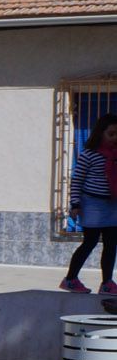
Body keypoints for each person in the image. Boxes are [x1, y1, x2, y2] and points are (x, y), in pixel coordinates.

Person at [64, 116, 117, 294]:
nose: (114, 137)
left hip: (111, 205)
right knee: (90, 242)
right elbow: (77, 180)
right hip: (92, 204)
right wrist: (75, 204)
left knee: (111, 243)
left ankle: (107, 283)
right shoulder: (89, 154)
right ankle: (70, 279)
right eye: (111, 134)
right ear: (100, 133)